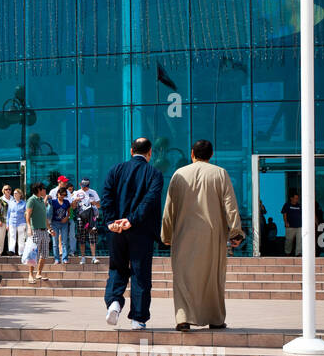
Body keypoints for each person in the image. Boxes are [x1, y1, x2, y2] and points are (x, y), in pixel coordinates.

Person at [159, 140, 245, 331]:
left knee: (182, 276)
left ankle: (183, 318)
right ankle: (215, 318)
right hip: (212, 236)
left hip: (182, 234)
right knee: (212, 277)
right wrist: (236, 231)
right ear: (211, 155)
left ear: (192, 153)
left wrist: (166, 234)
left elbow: (168, 209)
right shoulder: (220, 173)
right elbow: (231, 205)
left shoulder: (179, 174)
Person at [102, 137, 164, 330]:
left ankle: (114, 302)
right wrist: (132, 220)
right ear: (150, 152)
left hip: (117, 230)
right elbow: (149, 201)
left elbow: (107, 196)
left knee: (117, 268)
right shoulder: (154, 174)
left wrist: (112, 221)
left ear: (131, 151)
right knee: (140, 273)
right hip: (141, 231)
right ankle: (138, 318)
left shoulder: (115, 170)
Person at [24, 183, 52, 284]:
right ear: (39, 190)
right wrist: (28, 227)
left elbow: (44, 218)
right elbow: (28, 214)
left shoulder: (41, 201)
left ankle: (39, 273)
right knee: (33, 254)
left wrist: (50, 229)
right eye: (44, 189)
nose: (45, 190)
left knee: (44, 254)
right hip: (35, 230)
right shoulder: (32, 200)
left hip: (44, 231)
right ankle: (30, 275)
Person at [49, 186, 73, 263]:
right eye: (61, 194)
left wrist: (67, 217)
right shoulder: (53, 201)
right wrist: (46, 197)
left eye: (64, 195)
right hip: (54, 223)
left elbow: (69, 212)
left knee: (64, 241)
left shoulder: (66, 202)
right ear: (58, 194)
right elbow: (45, 205)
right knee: (55, 242)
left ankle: (65, 258)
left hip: (64, 223)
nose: (63, 196)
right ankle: (56, 259)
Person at [4, 188, 26, 257]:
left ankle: (21, 252)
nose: (14, 194)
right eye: (14, 193)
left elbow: (26, 214)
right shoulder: (11, 203)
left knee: (21, 238)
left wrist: (26, 224)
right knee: (12, 237)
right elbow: (8, 214)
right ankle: (11, 251)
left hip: (21, 222)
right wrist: (7, 224)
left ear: (20, 194)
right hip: (12, 222)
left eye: (16, 193)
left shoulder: (24, 203)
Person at [0, 184, 13, 255]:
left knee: (11, 237)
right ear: (3, 191)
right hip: (3, 221)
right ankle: (0, 252)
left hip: (11, 221)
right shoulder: (1, 199)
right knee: (1, 237)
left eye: (9, 189)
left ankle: (11, 251)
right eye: (6, 189)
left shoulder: (13, 198)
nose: (8, 190)